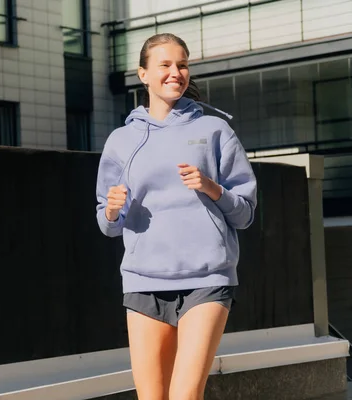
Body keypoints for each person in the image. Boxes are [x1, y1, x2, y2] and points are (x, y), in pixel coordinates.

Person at [95, 33, 257, 400]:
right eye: (165, 65)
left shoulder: (215, 131)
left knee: (185, 395)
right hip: (143, 280)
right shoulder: (122, 140)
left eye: (182, 64)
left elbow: (245, 214)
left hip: (208, 277)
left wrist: (211, 187)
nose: (176, 72)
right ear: (143, 74)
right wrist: (113, 209)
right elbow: (106, 225)